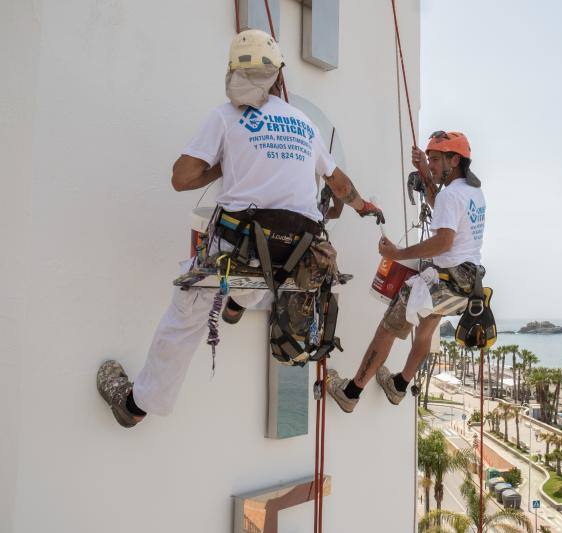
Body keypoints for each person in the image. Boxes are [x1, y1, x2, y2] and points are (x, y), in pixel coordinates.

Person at [96, 30, 382, 428]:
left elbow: (181, 178)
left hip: (238, 252)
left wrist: (224, 163)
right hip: (293, 263)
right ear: (279, 75)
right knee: (261, 269)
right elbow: (339, 184)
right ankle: (234, 307)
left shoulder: (226, 116)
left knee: (186, 316)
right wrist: (363, 205)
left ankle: (135, 405)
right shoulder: (304, 123)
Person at [326, 131, 486, 413]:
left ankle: (351, 393)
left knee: (388, 329)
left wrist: (396, 254)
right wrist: (424, 172)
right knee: (426, 330)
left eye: (436, 159)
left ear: (455, 160)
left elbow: (443, 241)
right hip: (466, 285)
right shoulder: (473, 193)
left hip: (442, 280)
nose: (433, 165)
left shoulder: (451, 196)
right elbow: (443, 212)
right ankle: (399, 386)